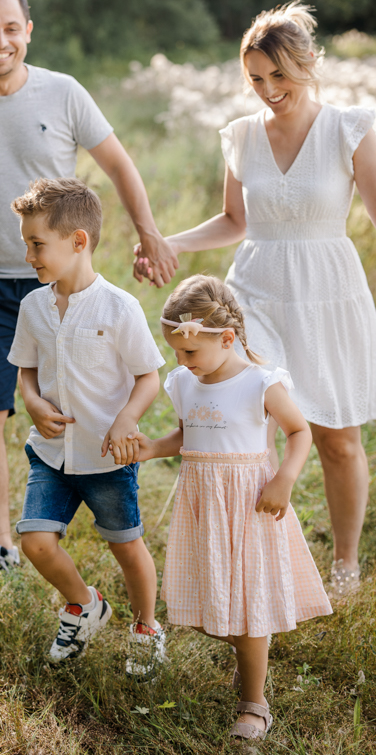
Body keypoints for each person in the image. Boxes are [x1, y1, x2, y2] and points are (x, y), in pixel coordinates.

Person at [0, 0, 177, 570]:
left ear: (27, 31)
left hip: (62, 287)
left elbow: (117, 162)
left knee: (87, 408)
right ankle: (4, 545)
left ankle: (104, 519)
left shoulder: (64, 94)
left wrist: (149, 231)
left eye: (10, 28)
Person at [136, 1, 376, 597]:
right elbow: (232, 220)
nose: (268, 90)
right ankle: (258, 556)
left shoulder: (352, 127)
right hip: (257, 291)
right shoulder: (242, 136)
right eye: (256, 79)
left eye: (279, 76)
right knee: (251, 422)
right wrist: (169, 242)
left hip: (328, 293)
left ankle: (345, 565)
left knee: (336, 436)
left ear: (308, 64)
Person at [121, 274, 331, 741]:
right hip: (203, 507)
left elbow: (300, 432)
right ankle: (249, 654)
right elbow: (188, 435)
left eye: (190, 351)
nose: (182, 361)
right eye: (176, 352)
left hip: (252, 505)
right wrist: (150, 448)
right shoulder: (184, 382)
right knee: (209, 608)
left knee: (248, 605)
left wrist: (285, 478)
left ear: (228, 338)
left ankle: (253, 703)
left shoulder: (260, 382)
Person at [7, 177, 167, 677]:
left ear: (78, 241)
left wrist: (126, 418)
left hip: (106, 457)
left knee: (126, 545)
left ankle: (146, 628)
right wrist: (32, 402)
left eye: (38, 245)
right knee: (34, 539)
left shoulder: (120, 307)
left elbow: (149, 377)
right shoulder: (32, 306)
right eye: (26, 244)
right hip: (51, 453)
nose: (30, 255)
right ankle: (83, 604)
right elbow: (26, 371)